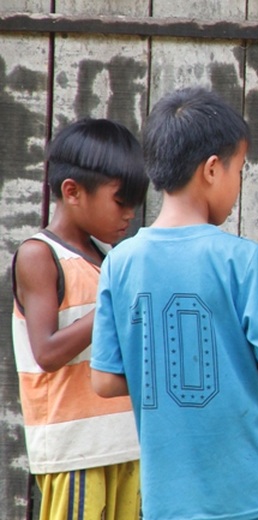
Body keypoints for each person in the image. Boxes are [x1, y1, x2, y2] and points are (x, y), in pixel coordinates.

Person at [89, 87, 258, 520]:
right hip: (251, 493)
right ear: (213, 169)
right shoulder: (244, 258)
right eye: (240, 170)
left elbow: (105, 381)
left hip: (169, 498)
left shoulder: (119, 263)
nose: (239, 182)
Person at [11, 118, 146, 520]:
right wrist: (114, 304)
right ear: (72, 191)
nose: (129, 215)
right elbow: (47, 352)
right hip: (76, 451)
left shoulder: (106, 259)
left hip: (125, 444)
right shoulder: (40, 255)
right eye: (120, 202)